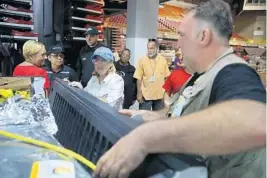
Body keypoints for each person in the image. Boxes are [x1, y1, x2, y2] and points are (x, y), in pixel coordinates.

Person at [93, 1, 266, 178]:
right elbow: (184, 111)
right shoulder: (200, 75)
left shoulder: (234, 72)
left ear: (203, 36)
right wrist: (155, 117)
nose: (178, 45)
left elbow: (255, 122)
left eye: (182, 36)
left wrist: (147, 137)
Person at [134, 39, 170, 111]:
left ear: (157, 48)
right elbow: (138, 78)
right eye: (148, 48)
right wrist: (139, 94)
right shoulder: (142, 60)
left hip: (160, 96)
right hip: (145, 96)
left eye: (151, 48)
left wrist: (165, 93)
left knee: (157, 119)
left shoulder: (163, 60)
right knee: (143, 119)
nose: (149, 50)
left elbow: (166, 77)